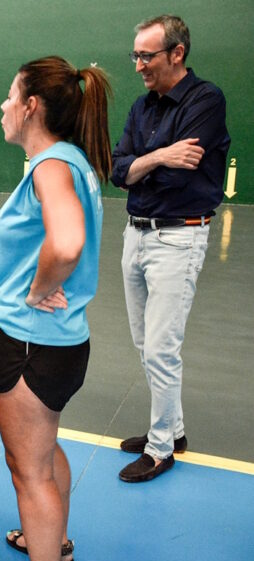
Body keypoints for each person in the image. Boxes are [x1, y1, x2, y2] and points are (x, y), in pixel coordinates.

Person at [0, 56, 111, 561]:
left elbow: (66, 245)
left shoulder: (51, 165)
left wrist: (37, 289)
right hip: (61, 342)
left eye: (11, 95)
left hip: (33, 342)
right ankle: (54, 542)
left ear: (31, 106)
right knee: (44, 451)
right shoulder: (73, 161)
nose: (3, 105)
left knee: (28, 471)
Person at [111, 14, 231, 483]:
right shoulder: (142, 108)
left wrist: (143, 164)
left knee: (161, 347)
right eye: (135, 55)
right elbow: (119, 170)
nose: (138, 64)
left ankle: (161, 449)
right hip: (136, 232)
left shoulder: (206, 99)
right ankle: (173, 429)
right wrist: (159, 156)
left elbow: (184, 172)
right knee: (145, 343)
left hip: (179, 236)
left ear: (177, 53)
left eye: (147, 55)